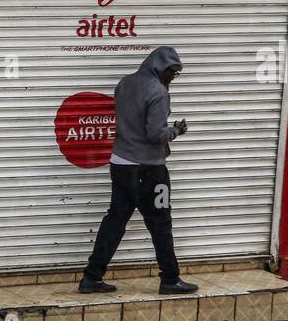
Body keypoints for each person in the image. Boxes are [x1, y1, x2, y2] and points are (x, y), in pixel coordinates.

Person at [79, 46, 199, 296]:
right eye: (171, 73)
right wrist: (176, 131)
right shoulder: (158, 91)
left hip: (121, 164)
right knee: (161, 222)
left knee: (115, 220)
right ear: (161, 67)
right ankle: (170, 279)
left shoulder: (125, 82)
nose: (171, 78)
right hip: (150, 170)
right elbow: (155, 134)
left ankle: (92, 277)